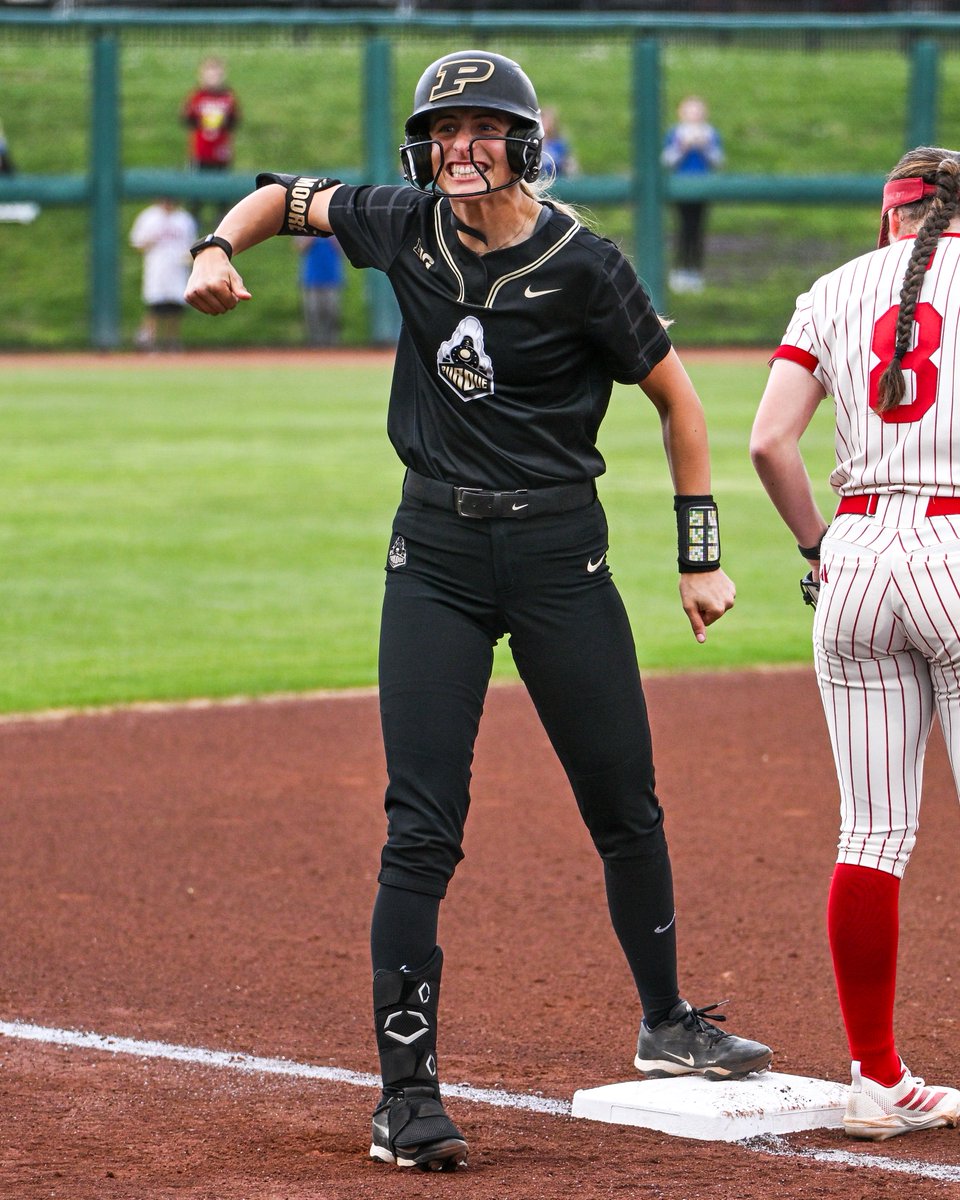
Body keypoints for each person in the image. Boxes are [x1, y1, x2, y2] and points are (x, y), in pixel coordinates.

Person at [185, 49, 772, 1173]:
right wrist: (219, 245)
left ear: (524, 141)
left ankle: (666, 1024)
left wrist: (699, 558)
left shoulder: (585, 265)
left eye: (482, 128)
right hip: (437, 556)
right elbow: (279, 192)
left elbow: (680, 405)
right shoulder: (402, 219)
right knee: (422, 825)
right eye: (442, 128)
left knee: (624, 802)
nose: (459, 146)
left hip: (560, 553)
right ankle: (404, 1096)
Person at [750, 145, 960, 1142]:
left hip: (858, 551)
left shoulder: (830, 289)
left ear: (890, 217)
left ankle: (876, 1080)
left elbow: (769, 441)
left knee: (872, 835)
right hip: (958, 543)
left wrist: (815, 545)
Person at [661, 96, 723, 294]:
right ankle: (680, 270)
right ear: (682, 113)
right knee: (683, 228)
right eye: (690, 111)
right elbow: (667, 160)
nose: (694, 115)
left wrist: (705, 146)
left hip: (702, 188)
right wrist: (683, 146)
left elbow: (718, 161)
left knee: (698, 229)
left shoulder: (710, 134)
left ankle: (695, 271)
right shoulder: (675, 133)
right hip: (680, 188)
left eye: (698, 111)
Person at [129, 197, 197, 351]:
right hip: (157, 268)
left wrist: (189, 259)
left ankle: (171, 341)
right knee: (155, 306)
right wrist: (151, 241)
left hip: (178, 269)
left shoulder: (184, 219)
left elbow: (191, 245)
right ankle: (148, 341)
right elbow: (137, 242)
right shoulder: (149, 217)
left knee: (176, 307)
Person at [181, 56, 241, 224]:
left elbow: (235, 120)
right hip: (201, 150)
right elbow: (187, 118)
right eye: (209, 73)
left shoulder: (228, 97)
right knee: (196, 185)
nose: (213, 78)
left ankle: (222, 217)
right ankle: (194, 217)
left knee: (222, 185)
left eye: (217, 74)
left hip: (221, 151)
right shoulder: (197, 96)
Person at [297, 235, 344, 347]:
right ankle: (315, 343)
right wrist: (311, 238)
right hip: (311, 278)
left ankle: (332, 343)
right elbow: (299, 247)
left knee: (332, 312)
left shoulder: (334, 228)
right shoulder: (305, 228)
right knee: (313, 312)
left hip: (332, 278)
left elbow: (344, 250)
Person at [541, 105, 579, 179]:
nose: (544, 124)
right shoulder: (531, 142)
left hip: (557, 179)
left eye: (547, 121)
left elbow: (569, 164)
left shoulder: (559, 144)